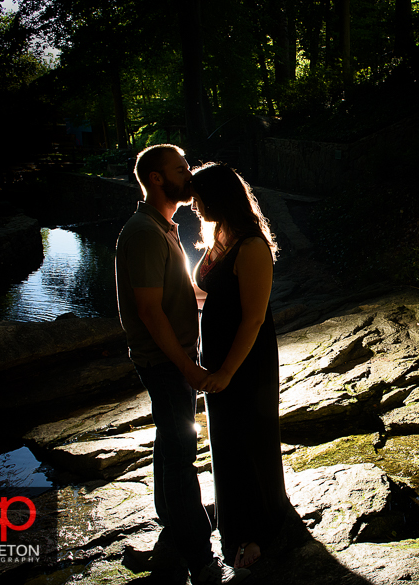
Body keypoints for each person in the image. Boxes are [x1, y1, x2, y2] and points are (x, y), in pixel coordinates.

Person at [115, 145, 248, 585]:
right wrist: (187, 367)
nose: (188, 176)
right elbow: (150, 311)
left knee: (170, 446)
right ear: (156, 179)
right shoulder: (143, 233)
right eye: (179, 169)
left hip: (175, 357)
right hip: (165, 361)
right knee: (180, 457)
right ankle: (201, 560)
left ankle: (171, 526)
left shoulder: (164, 227)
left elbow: (179, 294)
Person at [189, 162, 288, 570]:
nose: (194, 205)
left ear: (219, 197)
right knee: (226, 444)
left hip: (244, 362)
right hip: (219, 358)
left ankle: (257, 533)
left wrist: (227, 371)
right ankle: (238, 524)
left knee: (248, 441)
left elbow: (253, 318)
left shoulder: (251, 246)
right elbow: (200, 291)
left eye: (199, 197)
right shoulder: (220, 237)